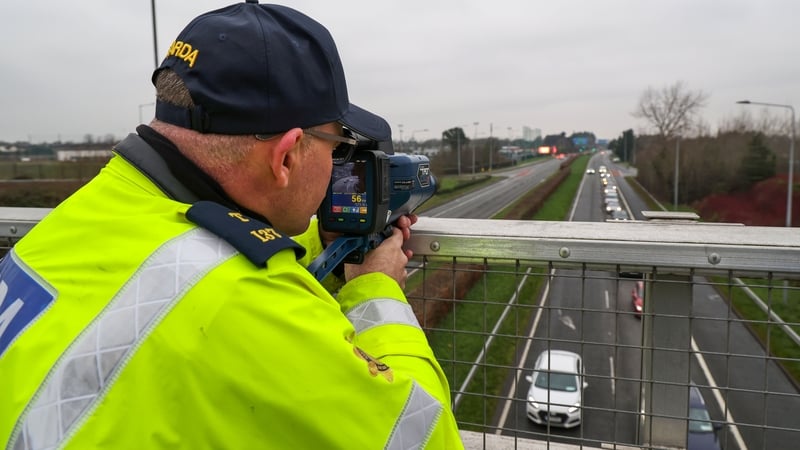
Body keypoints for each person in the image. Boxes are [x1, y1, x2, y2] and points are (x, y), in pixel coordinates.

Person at [0, 2, 463, 448]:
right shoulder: (242, 302)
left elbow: (198, 250)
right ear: (285, 157)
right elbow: (425, 436)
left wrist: (319, 240)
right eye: (337, 146)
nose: (338, 163)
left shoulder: (82, 216)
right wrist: (375, 288)